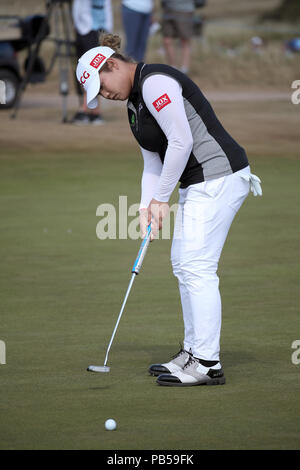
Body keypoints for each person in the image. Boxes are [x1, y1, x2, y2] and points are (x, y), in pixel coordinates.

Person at [76, 34, 262, 387]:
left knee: (196, 265)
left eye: (102, 86)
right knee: (183, 263)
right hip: (199, 183)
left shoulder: (155, 82)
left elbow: (182, 140)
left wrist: (162, 200)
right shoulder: (134, 106)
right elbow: (153, 161)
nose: (104, 95)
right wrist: (147, 206)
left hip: (219, 175)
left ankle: (207, 362)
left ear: (111, 65)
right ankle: (193, 352)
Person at [72, 0, 113, 125]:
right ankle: (91, 110)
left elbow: (107, 9)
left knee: (96, 70)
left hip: (100, 31)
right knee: (90, 70)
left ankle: (90, 110)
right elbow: (78, 9)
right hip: (86, 31)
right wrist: (80, 27)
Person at [161, 0, 195, 74]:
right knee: (167, 40)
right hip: (168, 9)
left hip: (184, 9)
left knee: (185, 40)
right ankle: (173, 69)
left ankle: (184, 70)